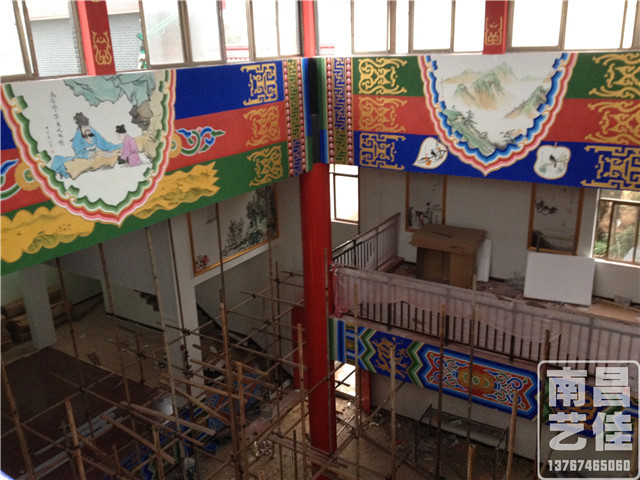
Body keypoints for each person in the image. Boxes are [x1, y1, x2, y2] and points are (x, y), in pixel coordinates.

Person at [51, 113, 121, 179]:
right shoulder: (78, 135)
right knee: (79, 165)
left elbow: (103, 144)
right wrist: (88, 154)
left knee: (111, 155)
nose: (87, 128)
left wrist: (118, 146)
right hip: (84, 158)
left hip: (95, 155)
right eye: (84, 127)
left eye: (87, 126)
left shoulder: (91, 130)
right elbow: (78, 152)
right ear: (80, 127)